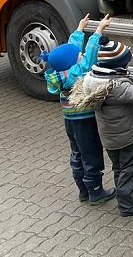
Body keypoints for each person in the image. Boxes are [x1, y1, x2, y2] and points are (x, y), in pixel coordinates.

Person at [70, 38, 133, 217]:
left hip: (109, 137)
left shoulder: (94, 79)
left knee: (120, 168)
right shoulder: (116, 86)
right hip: (127, 137)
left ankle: (131, 193)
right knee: (130, 169)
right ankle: (128, 205)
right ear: (118, 65)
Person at [43, 13, 115, 205]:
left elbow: (68, 51)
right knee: (91, 153)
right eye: (78, 56)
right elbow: (89, 56)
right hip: (84, 122)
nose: (80, 54)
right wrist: (98, 31)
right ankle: (96, 192)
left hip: (70, 122)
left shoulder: (61, 74)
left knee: (77, 153)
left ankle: (83, 190)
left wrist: (79, 29)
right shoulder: (76, 73)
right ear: (73, 63)